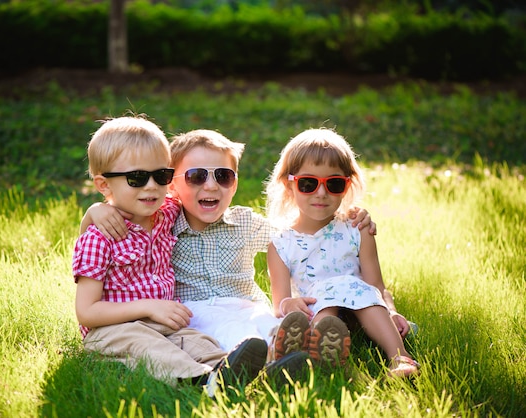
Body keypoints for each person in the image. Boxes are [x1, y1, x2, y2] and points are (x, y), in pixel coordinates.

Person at [81, 128, 376, 382]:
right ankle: (273, 365)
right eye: (196, 177)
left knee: (268, 321)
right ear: (173, 185)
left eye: (223, 176)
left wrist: (342, 220)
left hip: (247, 303)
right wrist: (96, 209)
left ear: (234, 184)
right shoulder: (165, 217)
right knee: (233, 332)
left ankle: (303, 355)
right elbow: (123, 214)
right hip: (198, 311)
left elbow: (295, 239)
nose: (211, 185)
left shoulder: (244, 222)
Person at [73, 116, 268, 394]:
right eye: (137, 178)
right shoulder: (99, 238)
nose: (151, 186)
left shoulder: (164, 214)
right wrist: (149, 306)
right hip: (114, 330)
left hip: (166, 324)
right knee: (147, 346)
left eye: (161, 176)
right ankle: (201, 381)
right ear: (104, 186)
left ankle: (251, 378)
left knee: (202, 344)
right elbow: (87, 312)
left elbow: (197, 196)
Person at [264, 127, 419, 377]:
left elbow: (376, 285)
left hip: (363, 313)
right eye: (308, 183)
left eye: (334, 183)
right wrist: (289, 303)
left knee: (362, 293)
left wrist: (390, 310)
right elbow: (279, 303)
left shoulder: (357, 228)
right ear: (288, 185)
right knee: (322, 309)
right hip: (320, 313)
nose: (322, 193)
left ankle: (401, 358)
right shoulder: (281, 244)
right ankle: (325, 353)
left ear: (347, 185)